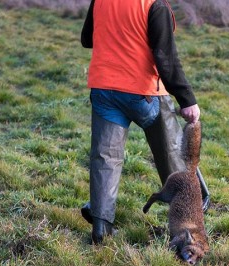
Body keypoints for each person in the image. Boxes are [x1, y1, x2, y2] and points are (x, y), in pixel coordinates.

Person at [80, 0, 210, 244]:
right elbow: (166, 57)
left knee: (105, 158)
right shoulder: (154, 5)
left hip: (104, 89)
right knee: (174, 154)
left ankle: (101, 227)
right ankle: (189, 230)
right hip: (144, 91)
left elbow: (88, 39)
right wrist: (186, 99)